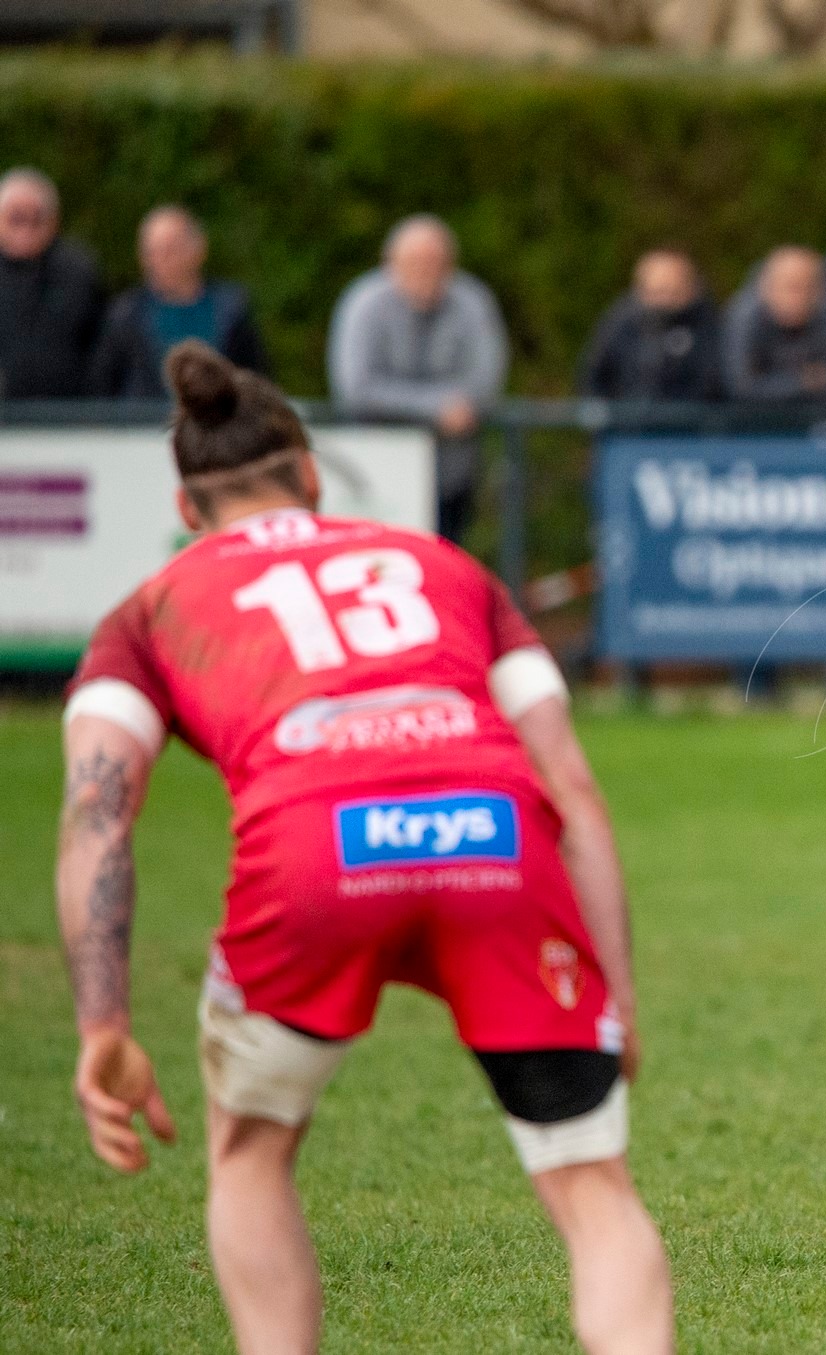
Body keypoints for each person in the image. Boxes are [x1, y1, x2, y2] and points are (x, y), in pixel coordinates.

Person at [57, 340, 672, 1354]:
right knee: (592, 1183)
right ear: (308, 475)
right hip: (494, 838)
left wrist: (101, 1022)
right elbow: (571, 785)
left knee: (250, 1152)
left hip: (312, 856)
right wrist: (616, 994)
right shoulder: (442, 565)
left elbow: (96, 814)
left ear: (187, 509)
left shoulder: (149, 610)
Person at [329, 214, 509, 544]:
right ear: (390, 262)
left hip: (451, 471)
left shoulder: (472, 302)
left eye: (436, 262)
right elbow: (356, 387)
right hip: (378, 474)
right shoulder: (365, 304)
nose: (426, 271)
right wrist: (435, 407)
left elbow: (486, 377)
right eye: (414, 262)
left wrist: (459, 407)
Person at [92, 205, 269, 398]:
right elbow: (102, 388)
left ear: (197, 249)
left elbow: (257, 382)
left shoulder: (231, 310)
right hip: (143, 426)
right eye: (150, 253)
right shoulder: (126, 314)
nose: (157, 262)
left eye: (169, 251)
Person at [0, 166, 102, 400]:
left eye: (36, 219)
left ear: (54, 220)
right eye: (16, 218)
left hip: (66, 419)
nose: (26, 229)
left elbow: (100, 350)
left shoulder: (79, 272)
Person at [577, 247, 721, 403]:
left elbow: (715, 383)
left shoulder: (708, 324)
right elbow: (593, 376)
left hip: (691, 424)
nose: (663, 301)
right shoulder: (622, 322)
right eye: (657, 290)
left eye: (672, 290)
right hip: (629, 424)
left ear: (690, 287)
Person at [721, 245, 826, 401]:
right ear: (766, 287)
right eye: (790, 287)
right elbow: (741, 388)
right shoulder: (744, 316)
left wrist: (772, 383)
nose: (799, 297)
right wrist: (804, 381)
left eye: (808, 287)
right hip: (757, 419)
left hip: (821, 416)